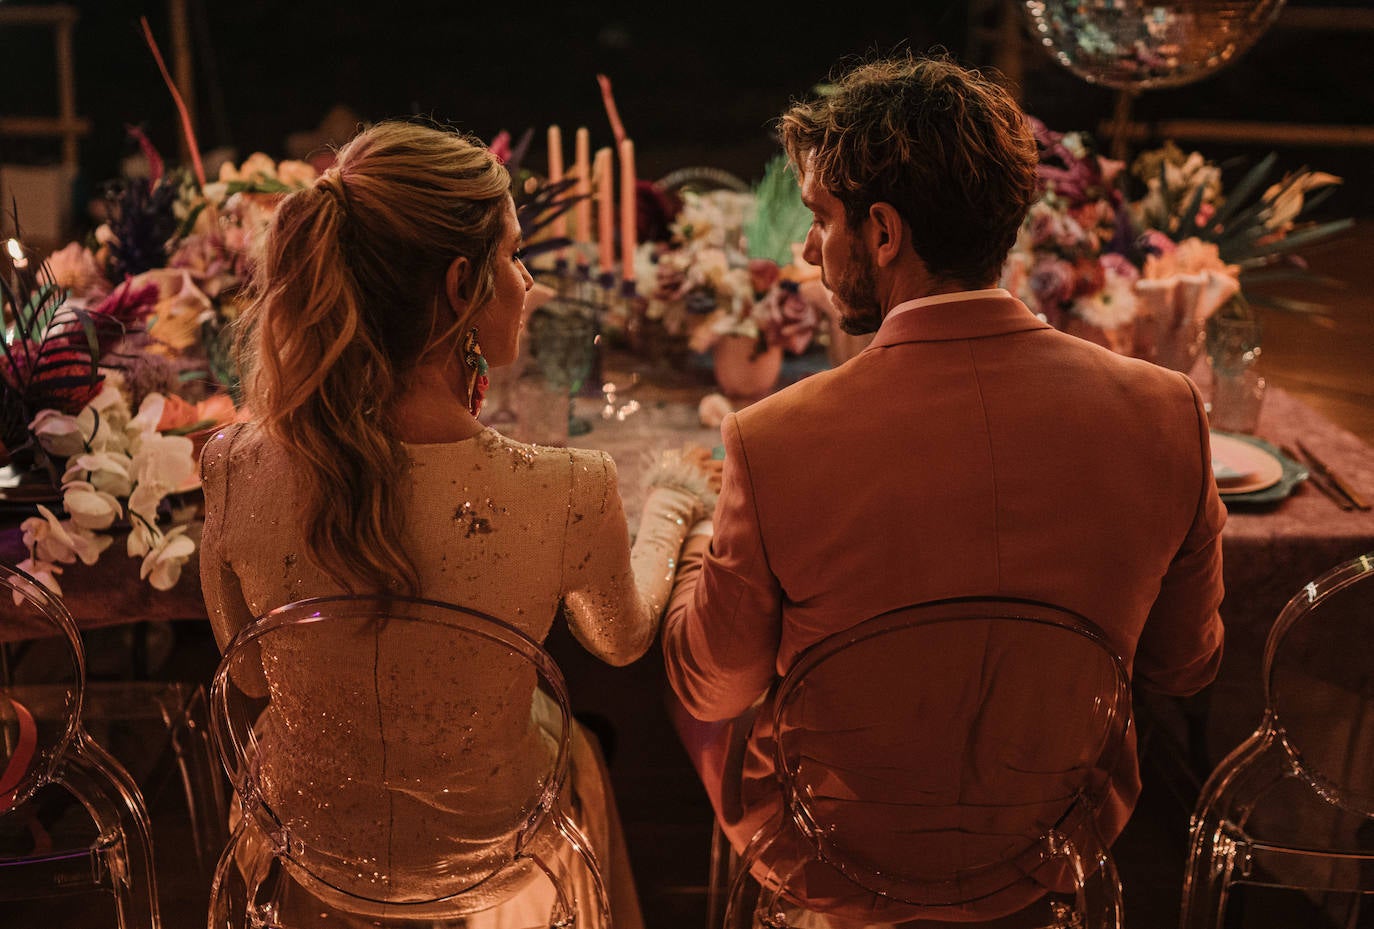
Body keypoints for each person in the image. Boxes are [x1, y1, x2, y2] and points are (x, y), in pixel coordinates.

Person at [663, 54, 1225, 923]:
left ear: (884, 233)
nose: (810, 249)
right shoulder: (1169, 411)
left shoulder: (773, 437)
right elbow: (1184, 667)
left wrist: (694, 554)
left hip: (840, 865)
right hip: (1052, 849)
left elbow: (713, 687)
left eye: (820, 220)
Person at [199, 119, 712, 929]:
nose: (530, 280)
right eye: (514, 256)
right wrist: (676, 503)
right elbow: (622, 639)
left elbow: (255, 678)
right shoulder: (568, 487)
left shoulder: (230, 464)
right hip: (488, 848)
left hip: (306, 845)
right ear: (460, 283)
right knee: (573, 744)